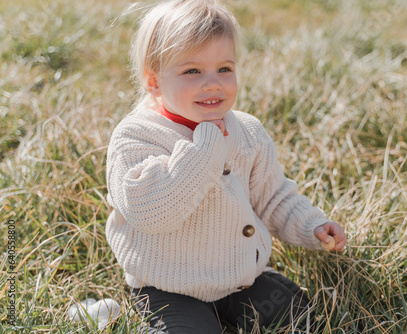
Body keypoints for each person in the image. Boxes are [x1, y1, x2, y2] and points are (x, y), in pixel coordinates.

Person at [105, 0, 347, 332]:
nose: (213, 83)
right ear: (154, 81)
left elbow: (273, 196)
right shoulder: (136, 136)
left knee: (299, 318)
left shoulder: (246, 132)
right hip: (167, 286)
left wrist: (312, 225)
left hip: (239, 278)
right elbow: (149, 210)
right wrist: (204, 150)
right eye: (192, 71)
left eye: (224, 68)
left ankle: (251, 294)